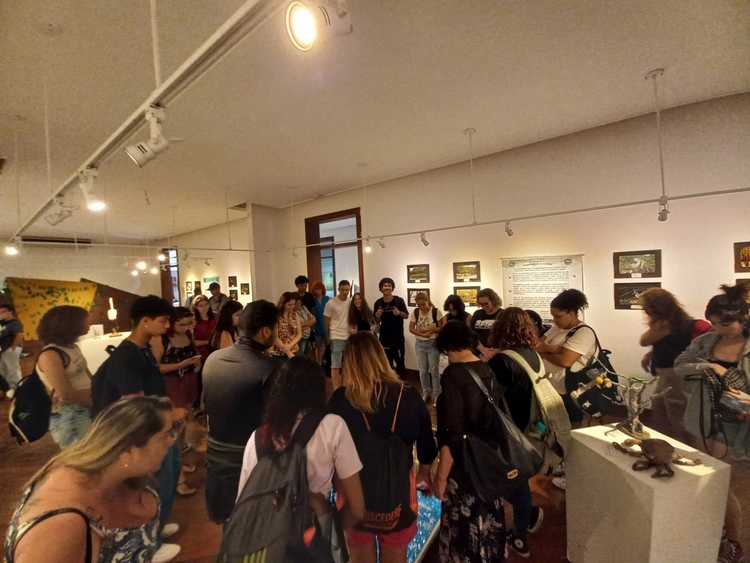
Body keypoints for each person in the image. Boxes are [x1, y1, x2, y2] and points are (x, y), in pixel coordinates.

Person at [5, 396, 177, 563]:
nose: (171, 441)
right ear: (129, 453)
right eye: (164, 435)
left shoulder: (109, 473)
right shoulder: (61, 528)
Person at [328, 332, 437, 563]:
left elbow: (327, 449)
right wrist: (424, 476)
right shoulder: (408, 395)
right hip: (397, 492)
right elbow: (427, 446)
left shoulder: (340, 399)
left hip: (352, 494)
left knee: (359, 558)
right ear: (380, 356)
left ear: (350, 361)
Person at [90, 295, 181, 562]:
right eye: (163, 321)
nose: (167, 326)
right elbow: (134, 402)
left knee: (168, 474)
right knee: (155, 482)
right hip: (144, 433)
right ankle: (150, 542)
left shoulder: (142, 350)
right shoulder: (127, 356)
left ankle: (158, 526)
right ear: (145, 321)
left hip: (157, 428)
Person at [237, 356, 365, 537]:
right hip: (313, 535)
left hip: (266, 542)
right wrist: (330, 531)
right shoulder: (332, 426)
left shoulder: (257, 438)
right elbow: (357, 508)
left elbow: (242, 506)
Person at [675, 284, 750, 563]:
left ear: (744, 318)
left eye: (726, 323)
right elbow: (680, 365)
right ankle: (709, 531)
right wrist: (707, 366)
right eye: (714, 322)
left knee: (722, 485)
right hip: (702, 418)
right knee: (703, 479)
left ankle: (734, 542)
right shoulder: (706, 342)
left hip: (734, 426)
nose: (719, 328)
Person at [433, 320, 508, 563]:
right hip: (488, 458)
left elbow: (453, 433)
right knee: (487, 516)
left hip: (465, 464)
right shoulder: (487, 369)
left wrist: (441, 476)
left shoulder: (453, 375)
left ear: (448, 346)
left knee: (463, 522)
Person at [202, 300, 279, 523]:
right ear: (266, 331)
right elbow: (277, 420)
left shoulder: (213, 360)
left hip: (216, 458)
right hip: (251, 462)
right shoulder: (270, 368)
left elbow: (208, 411)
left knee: (229, 527)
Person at [487, 308, 545, 558]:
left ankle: (519, 534)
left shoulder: (502, 361)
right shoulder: (532, 355)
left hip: (511, 430)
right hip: (530, 427)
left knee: (510, 479)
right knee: (517, 478)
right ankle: (527, 514)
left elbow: (491, 397)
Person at [536, 289, 596, 490]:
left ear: (572, 313)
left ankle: (576, 473)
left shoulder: (584, 332)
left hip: (571, 390)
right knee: (557, 429)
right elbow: (537, 345)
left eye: (558, 316)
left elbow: (566, 361)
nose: (555, 320)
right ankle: (565, 463)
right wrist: (555, 349)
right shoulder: (556, 329)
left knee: (573, 429)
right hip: (553, 387)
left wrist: (549, 352)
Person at [638, 287, 711, 443]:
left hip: (675, 375)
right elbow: (667, 343)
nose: (645, 312)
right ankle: (663, 447)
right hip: (667, 374)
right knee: (659, 411)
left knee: (677, 416)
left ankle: (687, 452)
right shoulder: (674, 323)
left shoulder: (665, 324)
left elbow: (644, 340)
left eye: (646, 308)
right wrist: (650, 354)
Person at [152, 307, 201, 497]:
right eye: (182, 324)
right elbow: (155, 367)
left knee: (185, 421)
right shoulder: (161, 338)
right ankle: (177, 477)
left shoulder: (188, 333)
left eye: (189, 323)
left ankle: (178, 460)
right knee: (175, 425)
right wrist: (181, 365)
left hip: (188, 380)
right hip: (172, 383)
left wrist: (195, 363)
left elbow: (193, 352)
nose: (187, 327)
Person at [35, 306, 93, 448]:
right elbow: (66, 394)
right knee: (82, 457)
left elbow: (88, 376)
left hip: (86, 406)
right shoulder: (50, 355)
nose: (89, 325)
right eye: (84, 322)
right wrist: (99, 397)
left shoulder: (72, 347)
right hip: (71, 415)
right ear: (69, 325)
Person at [409, 292, 443, 402]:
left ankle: (437, 394)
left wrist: (427, 331)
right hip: (420, 343)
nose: (421, 307)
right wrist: (422, 334)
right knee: (423, 370)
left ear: (427, 301)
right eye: (418, 305)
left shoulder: (435, 311)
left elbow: (440, 327)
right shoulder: (415, 312)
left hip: (432, 343)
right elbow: (411, 328)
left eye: (423, 304)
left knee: (434, 370)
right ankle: (426, 392)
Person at [373, 278, 409, 377]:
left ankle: (402, 387)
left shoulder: (399, 300)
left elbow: (406, 315)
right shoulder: (378, 303)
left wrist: (399, 313)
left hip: (398, 339)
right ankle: (389, 387)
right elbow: (377, 321)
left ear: (392, 288)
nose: (387, 287)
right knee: (386, 365)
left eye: (389, 285)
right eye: (385, 286)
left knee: (400, 364)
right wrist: (378, 315)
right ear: (381, 288)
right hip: (384, 339)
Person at [190, 294, 216, 412]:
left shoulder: (214, 317)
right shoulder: (194, 321)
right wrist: (208, 341)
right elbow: (192, 341)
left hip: (214, 351)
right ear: (196, 307)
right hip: (201, 353)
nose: (204, 308)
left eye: (206, 305)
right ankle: (197, 405)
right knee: (200, 380)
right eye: (200, 306)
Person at [324, 280, 352, 388]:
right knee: (336, 365)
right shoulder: (331, 303)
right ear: (338, 289)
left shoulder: (350, 302)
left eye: (347, 290)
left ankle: (344, 387)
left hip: (348, 336)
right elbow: (326, 320)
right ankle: (336, 388)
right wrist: (330, 333)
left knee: (346, 364)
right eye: (343, 289)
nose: (345, 292)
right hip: (336, 335)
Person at [470, 288, 503, 361]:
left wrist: (494, 351)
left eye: (486, 303)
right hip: (479, 351)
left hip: (496, 352)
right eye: (481, 304)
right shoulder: (477, 314)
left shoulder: (503, 314)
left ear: (494, 301)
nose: (483, 306)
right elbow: (472, 333)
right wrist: (482, 349)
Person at [269, 292, 303, 362]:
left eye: (293, 304)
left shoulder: (294, 315)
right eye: (289, 304)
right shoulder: (276, 316)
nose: (292, 306)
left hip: (293, 348)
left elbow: (299, 333)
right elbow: (274, 335)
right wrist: (286, 350)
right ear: (283, 303)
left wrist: (290, 345)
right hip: (278, 351)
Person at [0, 303, 24, 398]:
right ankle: (8, 390)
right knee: (3, 369)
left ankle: (17, 389)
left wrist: (12, 347)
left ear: (10, 312)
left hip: (10, 348)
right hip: (3, 349)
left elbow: (19, 335)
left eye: (3, 311)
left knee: (12, 369)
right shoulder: (3, 324)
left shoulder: (15, 323)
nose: (1, 313)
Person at [311, 281, 330, 365]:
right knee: (317, 346)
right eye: (316, 290)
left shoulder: (327, 299)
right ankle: (318, 362)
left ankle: (325, 360)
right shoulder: (312, 300)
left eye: (319, 289)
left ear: (322, 290)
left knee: (328, 345)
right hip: (317, 326)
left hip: (327, 325)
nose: (318, 291)